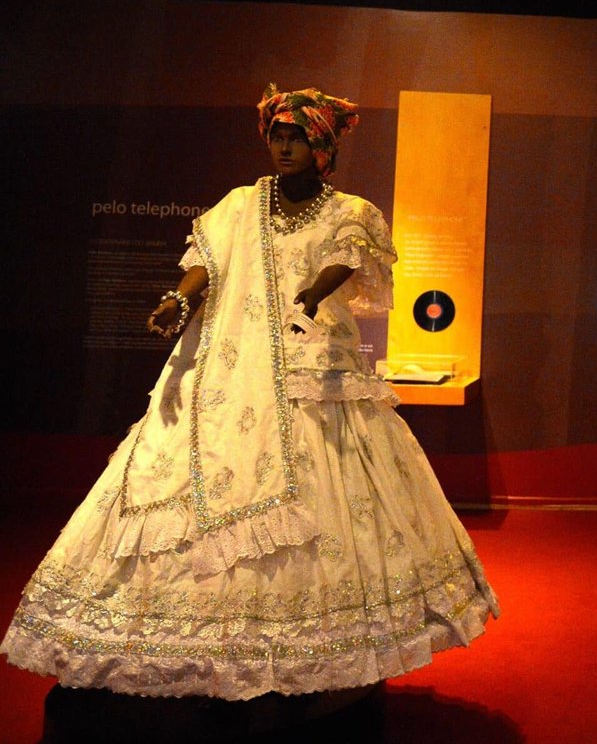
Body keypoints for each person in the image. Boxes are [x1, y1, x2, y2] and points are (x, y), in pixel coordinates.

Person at [0, 85, 499, 700]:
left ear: (323, 146)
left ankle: (314, 642)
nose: (285, 146)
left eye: (299, 137)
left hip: (310, 371)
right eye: (277, 135)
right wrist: (180, 297)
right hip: (227, 370)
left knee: (331, 498)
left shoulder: (354, 211)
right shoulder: (238, 206)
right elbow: (206, 262)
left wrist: (315, 293)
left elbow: (345, 259)